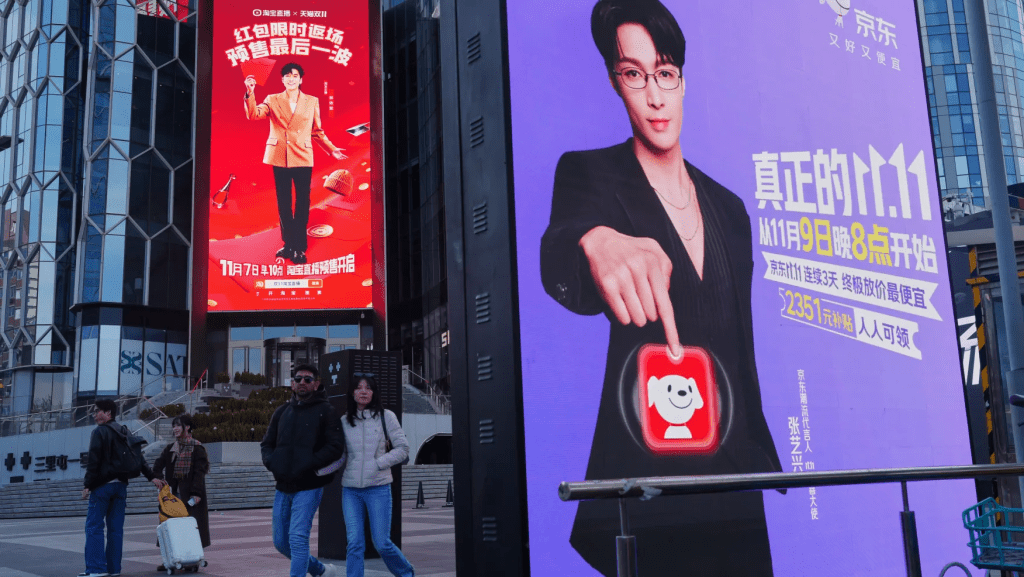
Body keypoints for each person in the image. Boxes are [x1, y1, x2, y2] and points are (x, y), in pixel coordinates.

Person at [539, 1, 783, 575]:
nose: (653, 95)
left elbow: (740, 343)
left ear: (683, 80)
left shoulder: (729, 208)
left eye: (666, 73)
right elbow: (560, 248)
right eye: (634, 74)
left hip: (732, 469)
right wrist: (595, 240)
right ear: (614, 81)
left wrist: (757, 451)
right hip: (645, 467)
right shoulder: (589, 172)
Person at [244, 62, 346, 265]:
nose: (291, 79)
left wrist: (331, 149)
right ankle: (288, 244)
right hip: (279, 156)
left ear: (301, 79)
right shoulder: (272, 99)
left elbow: (317, 131)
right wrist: (250, 92)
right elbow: (253, 114)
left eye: (295, 75)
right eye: (288, 76)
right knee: (283, 204)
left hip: (302, 156)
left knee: (302, 204)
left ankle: (299, 247)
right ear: (282, 79)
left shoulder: (312, 101)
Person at [261, 363, 345, 577]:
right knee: (281, 542)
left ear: (316, 384)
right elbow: (267, 444)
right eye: (298, 379)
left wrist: (310, 463)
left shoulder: (326, 411)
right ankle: (320, 570)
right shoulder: (282, 412)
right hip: (283, 486)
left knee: (298, 538)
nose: (302, 383)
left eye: (308, 379)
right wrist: (273, 462)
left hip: (309, 486)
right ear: (292, 384)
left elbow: (335, 447)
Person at [340, 376, 415, 577]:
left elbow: (403, 448)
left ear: (374, 393)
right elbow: (340, 455)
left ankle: (406, 573)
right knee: (354, 542)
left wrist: (378, 463)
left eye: (368, 388)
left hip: (378, 487)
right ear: (352, 393)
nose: (363, 391)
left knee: (381, 542)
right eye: (359, 388)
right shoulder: (344, 421)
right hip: (351, 490)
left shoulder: (386, 416)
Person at [80, 399, 162, 577]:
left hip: (102, 486)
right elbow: (138, 457)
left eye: (97, 411)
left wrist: (87, 485)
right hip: (120, 487)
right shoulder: (124, 431)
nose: (94, 415)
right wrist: (151, 476)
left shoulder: (99, 432)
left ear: (108, 413)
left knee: (94, 527)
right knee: (115, 530)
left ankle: (96, 569)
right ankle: (114, 569)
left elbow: (93, 461)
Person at [150, 413, 211, 571]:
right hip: (172, 496)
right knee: (169, 526)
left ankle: (191, 561)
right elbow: (158, 465)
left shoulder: (197, 448)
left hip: (190, 496)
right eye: (174, 426)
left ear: (187, 427)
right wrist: (159, 479)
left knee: (189, 529)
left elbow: (199, 472)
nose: (175, 428)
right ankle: (170, 559)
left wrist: (196, 493)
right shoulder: (171, 449)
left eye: (178, 425)